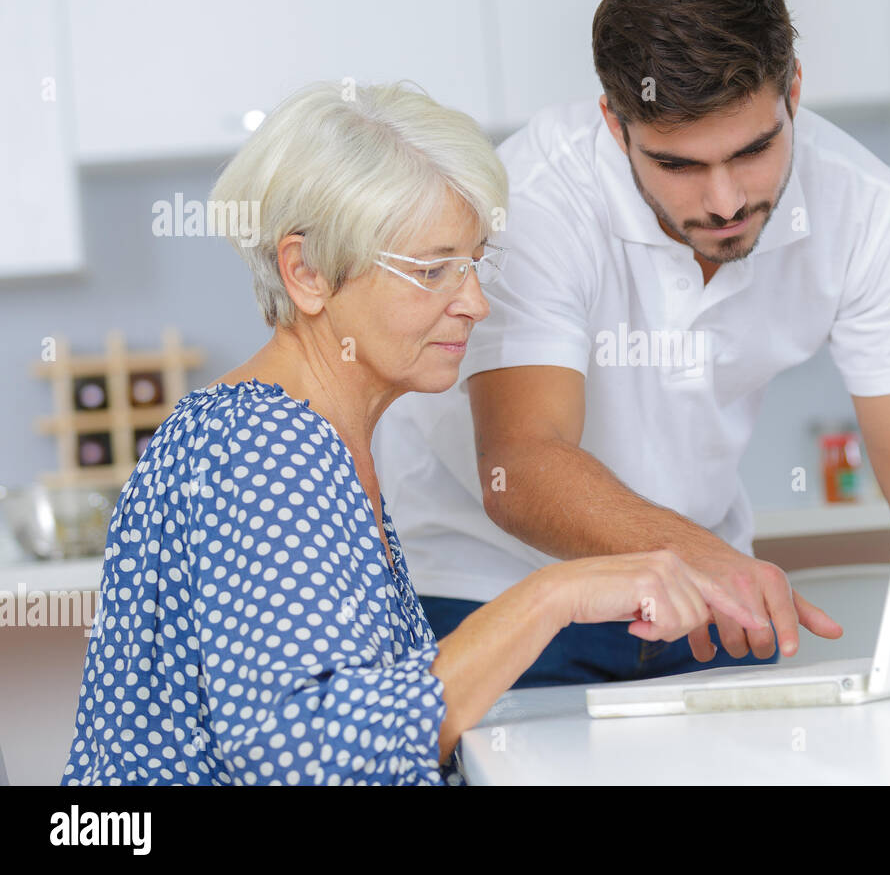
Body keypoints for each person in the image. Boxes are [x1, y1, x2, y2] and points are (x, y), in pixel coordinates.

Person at [377, 0, 890, 686]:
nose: (724, 202)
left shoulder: (864, 206)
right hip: (494, 598)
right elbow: (520, 464)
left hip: (700, 608)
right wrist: (707, 557)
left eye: (753, 151)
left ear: (795, 94)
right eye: (679, 165)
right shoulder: (532, 200)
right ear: (616, 126)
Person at [61, 81, 755, 786]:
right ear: (305, 273)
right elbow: (311, 756)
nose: (476, 303)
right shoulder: (264, 449)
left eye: (476, 262)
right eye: (431, 270)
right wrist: (557, 595)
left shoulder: (299, 435)